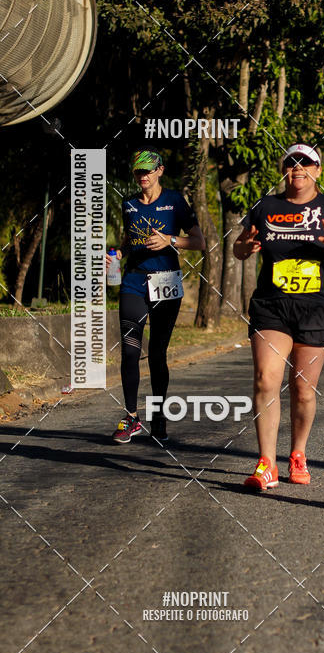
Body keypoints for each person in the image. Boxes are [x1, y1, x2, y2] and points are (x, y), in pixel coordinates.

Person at [233, 142, 324, 490]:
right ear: (283, 168)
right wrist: (248, 246)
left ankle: (298, 454)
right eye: (292, 162)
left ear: (318, 171)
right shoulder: (265, 206)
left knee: (303, 391)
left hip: (314, 308)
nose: (298, 168)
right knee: (265, 380)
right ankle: (266, 463)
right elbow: (239, 249)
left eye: (307, 163)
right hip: (272, 306)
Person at [106, 151, 205, 444]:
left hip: (166, 283)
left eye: (148, 171)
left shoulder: (175, 201)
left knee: (158, 353)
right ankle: (131, 417)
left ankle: (159, 415)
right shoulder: (130, 204)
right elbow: (128, 238)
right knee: (130, 349)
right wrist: (118, 254)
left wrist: (170, 240)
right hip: (134, 281)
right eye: (138, 172)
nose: (143, 176)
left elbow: (199, 242)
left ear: (160, 170)